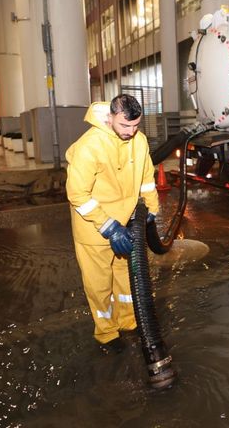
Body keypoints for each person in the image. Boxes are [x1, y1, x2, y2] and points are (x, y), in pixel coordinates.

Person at [66, 94, 159, 354]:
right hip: (94, 230)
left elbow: (146, 177)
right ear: (109, 118)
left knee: (126, 279)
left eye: (135, 126)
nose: (131, 132)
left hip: (127, 223)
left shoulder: (138, 141)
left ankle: (128, 321)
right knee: (99, 284)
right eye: (124, 126)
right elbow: (77, 194)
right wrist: (108, 226)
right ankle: (106, 333)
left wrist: (152, 208)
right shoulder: (89, 146)